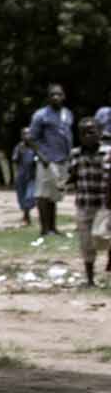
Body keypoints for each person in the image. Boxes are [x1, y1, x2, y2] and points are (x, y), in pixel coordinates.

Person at [29, 83, 77, 238]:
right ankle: (44, 229)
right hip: (47, 160)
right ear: (48, 98)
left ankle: (53, 228)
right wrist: (42, 156)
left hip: (63, 159)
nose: (56, 97)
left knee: (54, 196)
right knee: (43, 195)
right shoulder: (41, 115)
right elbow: (31, 139)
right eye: (52, 95)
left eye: (59, 94)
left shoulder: (67, 114)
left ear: (64, 96)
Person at [72, 118, 108, 286]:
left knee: (104, 238)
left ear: (99, 133)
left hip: (105, 204)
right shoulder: (76, 154)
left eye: (91, 132)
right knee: (86, 243)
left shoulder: (108, 152)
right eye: (83, 133)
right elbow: (72, 175)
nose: (87, 136)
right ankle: (90, 278)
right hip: (84, 204)